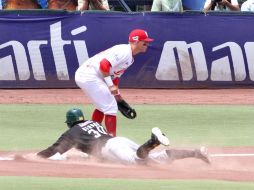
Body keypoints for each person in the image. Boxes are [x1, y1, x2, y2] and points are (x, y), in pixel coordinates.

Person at [37, 108, 211, 165]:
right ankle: (196, 153)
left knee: (138, 162)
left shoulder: (72, 133)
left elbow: (54, 150)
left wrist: (37, 156)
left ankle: (153, 141)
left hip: (110, 147)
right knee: (156, 160)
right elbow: (94, 147)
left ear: (69, 122)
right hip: (118, 141)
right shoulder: (93, 123)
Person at [75, 29, 154, 137]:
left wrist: (119, 98)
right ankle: (112, 140)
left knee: (103, 106)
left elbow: (115, 78)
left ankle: (92, 137)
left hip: (93, 76)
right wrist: (111, 86)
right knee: (110, 107)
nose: (147, 43)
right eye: (144, 41)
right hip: (89, 74)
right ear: (136, 41)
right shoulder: (124, 51)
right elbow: (104, 65)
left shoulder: (130, 58)